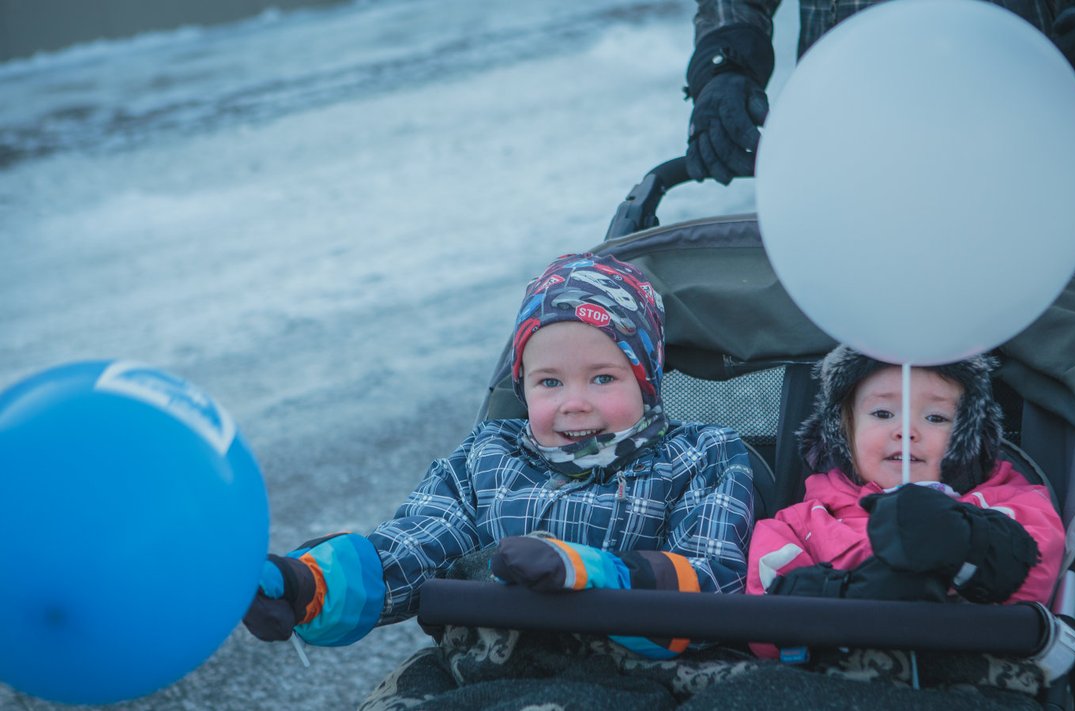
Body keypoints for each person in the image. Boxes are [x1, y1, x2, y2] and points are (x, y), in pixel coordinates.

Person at [241, 253, 756, 666]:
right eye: (550, 382)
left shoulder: (701, 456)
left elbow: (713, 574)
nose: (574, 402)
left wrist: (596, 575)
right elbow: (419, 542)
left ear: (646, 381)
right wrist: (310, 583)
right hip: (494, 662)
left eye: (603, 377)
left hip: (645, 668)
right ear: (524, 387)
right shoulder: (491, 456)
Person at [745, 346, 1066, 664]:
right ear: (844, 430)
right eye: (883, 413)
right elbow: (764, 623)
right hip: (838, 676)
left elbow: (1036, 571)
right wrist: (851, 591)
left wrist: (962, 539)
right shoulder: (802, 522)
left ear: (969, 434)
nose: (907, 432)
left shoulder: (1011, 502)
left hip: (971, 672)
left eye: (935, 417)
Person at [684, 0, 1075, 184]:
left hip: (1013, 129)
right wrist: (726, 59)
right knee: (857, 368)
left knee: (1014, 355)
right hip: (847, 136)